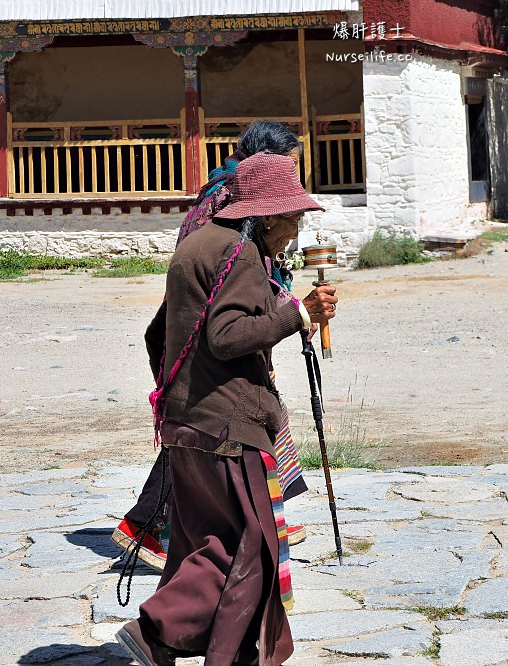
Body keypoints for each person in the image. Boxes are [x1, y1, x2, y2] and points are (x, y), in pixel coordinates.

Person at [115, 152, 337, 666]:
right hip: (226, 430)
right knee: (250, 548)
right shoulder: (240, 254)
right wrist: (298, 313)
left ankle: (187, 645)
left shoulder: (198, 243)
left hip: (186, 425)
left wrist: (179, 399)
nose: (295, 231)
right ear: (270, 216)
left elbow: (158, 335)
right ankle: (156, 631)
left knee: (205, 544)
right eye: (294, 219)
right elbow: (226, 334)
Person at [112, 122, 310, 573]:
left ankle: (265, 515)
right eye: (289, 166)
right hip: (209, 334)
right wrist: (285, 314)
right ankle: (151, 526)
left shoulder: (218, 195)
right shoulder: (229, 205)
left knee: (237, 421)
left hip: (213, 326)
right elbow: (230, 281)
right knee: (209, 429)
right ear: (264, 162)